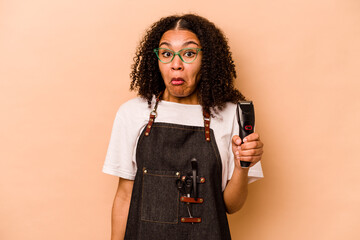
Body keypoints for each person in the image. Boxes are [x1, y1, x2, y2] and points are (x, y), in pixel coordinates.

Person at [103, 14, 264, 240]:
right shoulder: (132, 113)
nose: (176, 65)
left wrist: (242, 167)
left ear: (206, 59)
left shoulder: (230, 115)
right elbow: (124, 196)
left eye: (189, 54)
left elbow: (230, 205)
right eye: (167, 54)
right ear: (156, 59)